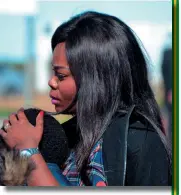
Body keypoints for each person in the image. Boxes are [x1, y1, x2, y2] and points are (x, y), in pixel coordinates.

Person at [0, 11, 171, 186]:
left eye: (61, 75)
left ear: (97, 79)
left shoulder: (140, 141)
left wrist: (28, 151)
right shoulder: (59, 137)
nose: (51, 82)